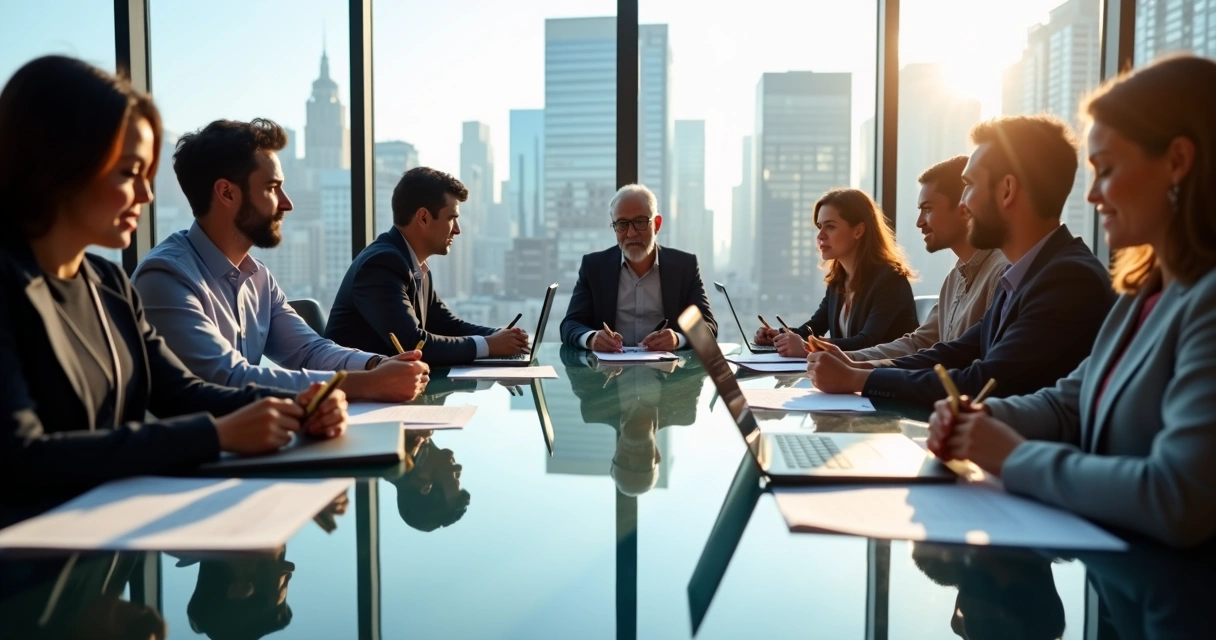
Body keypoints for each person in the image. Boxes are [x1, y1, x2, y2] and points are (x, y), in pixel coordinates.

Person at [0, 56, 347, 500]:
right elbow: (19, 459)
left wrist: (297, 407)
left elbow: (179, 391)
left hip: (108, 547)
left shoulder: (109, 284)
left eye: (147, 175)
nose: (146, 194)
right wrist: (215, 436)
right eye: (130, 174)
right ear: (57, 164)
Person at [926, 55, 1216, 549]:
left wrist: (1013, 458)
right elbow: (1069, 404)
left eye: (1106, 170)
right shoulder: (1139, 295)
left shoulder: (1206, 303)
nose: (1093, 195)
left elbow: (1178, 495)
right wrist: (988, 421)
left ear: (1177, 162)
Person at [807, 115, 1114, 406]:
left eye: (969, 185)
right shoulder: (1025, 275)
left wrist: (859, 377)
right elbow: (954, 352)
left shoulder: (1068, 278)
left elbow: (984, 380)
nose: (963, 203)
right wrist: (859, 367)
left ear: (1006, 190)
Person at [131, 119, 429, 402]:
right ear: (226, 193)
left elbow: (310, 351)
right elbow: (226, 379)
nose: (287, 203)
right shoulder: (165, 277)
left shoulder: (257, 276)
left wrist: (378, 365)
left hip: (257, 441)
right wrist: (369, 383)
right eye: (272, 188)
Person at [324, 167, 528, 367]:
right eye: (452, 218)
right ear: (423, 217)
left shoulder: (415, 264)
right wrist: (488, 345)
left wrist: (500, 336)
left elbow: (447, 325)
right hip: (357, 394)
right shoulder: (381, 264)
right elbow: (413, 344)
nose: (457, 230)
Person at [847, 157, 1008, 361]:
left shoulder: (1002, 274)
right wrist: (848, 359)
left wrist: (859, 370)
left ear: (964, 206)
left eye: (928, 209)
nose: (919, 222)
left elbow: (972, 363)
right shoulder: (954, 279)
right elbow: (919, 343)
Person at [753, 188, 918, 357]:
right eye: (819, 226)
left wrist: (807, 347)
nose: (820, 236)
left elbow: (867, 342)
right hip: (851, 378)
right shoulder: (839, 280)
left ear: (858, 231)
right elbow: (814, 327)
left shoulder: (890, 280)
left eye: (830, 226)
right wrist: (779, 335)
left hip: (886, 379)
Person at [560, 184, 717, 352]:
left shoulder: (685, 266)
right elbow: (570, 324)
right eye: (622, 224)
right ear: (614, 227)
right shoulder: (594, 267)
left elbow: (708, 326)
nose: (631, 233)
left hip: (668, 374)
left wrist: (677, 339)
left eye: (640, 222)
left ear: (657, 224)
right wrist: (591, 338)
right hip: (608, 374)